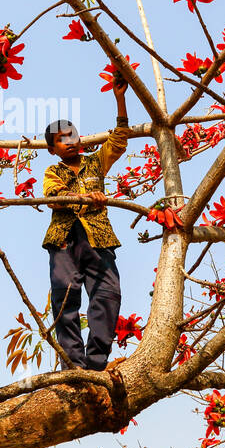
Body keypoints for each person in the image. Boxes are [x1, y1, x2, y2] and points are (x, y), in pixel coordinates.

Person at [41, 74, 132, 371]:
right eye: (61, 139)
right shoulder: (53, 171)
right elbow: (53, 197)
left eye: (72, 134)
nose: (69, 140)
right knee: (65, 300)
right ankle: (73, 366)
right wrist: (83, 197)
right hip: (65, 241)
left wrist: (119, 99)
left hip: (99, 240)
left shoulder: (96, 162)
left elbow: (119, 141)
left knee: (108, 295)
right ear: (52, 149)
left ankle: (94, 363)